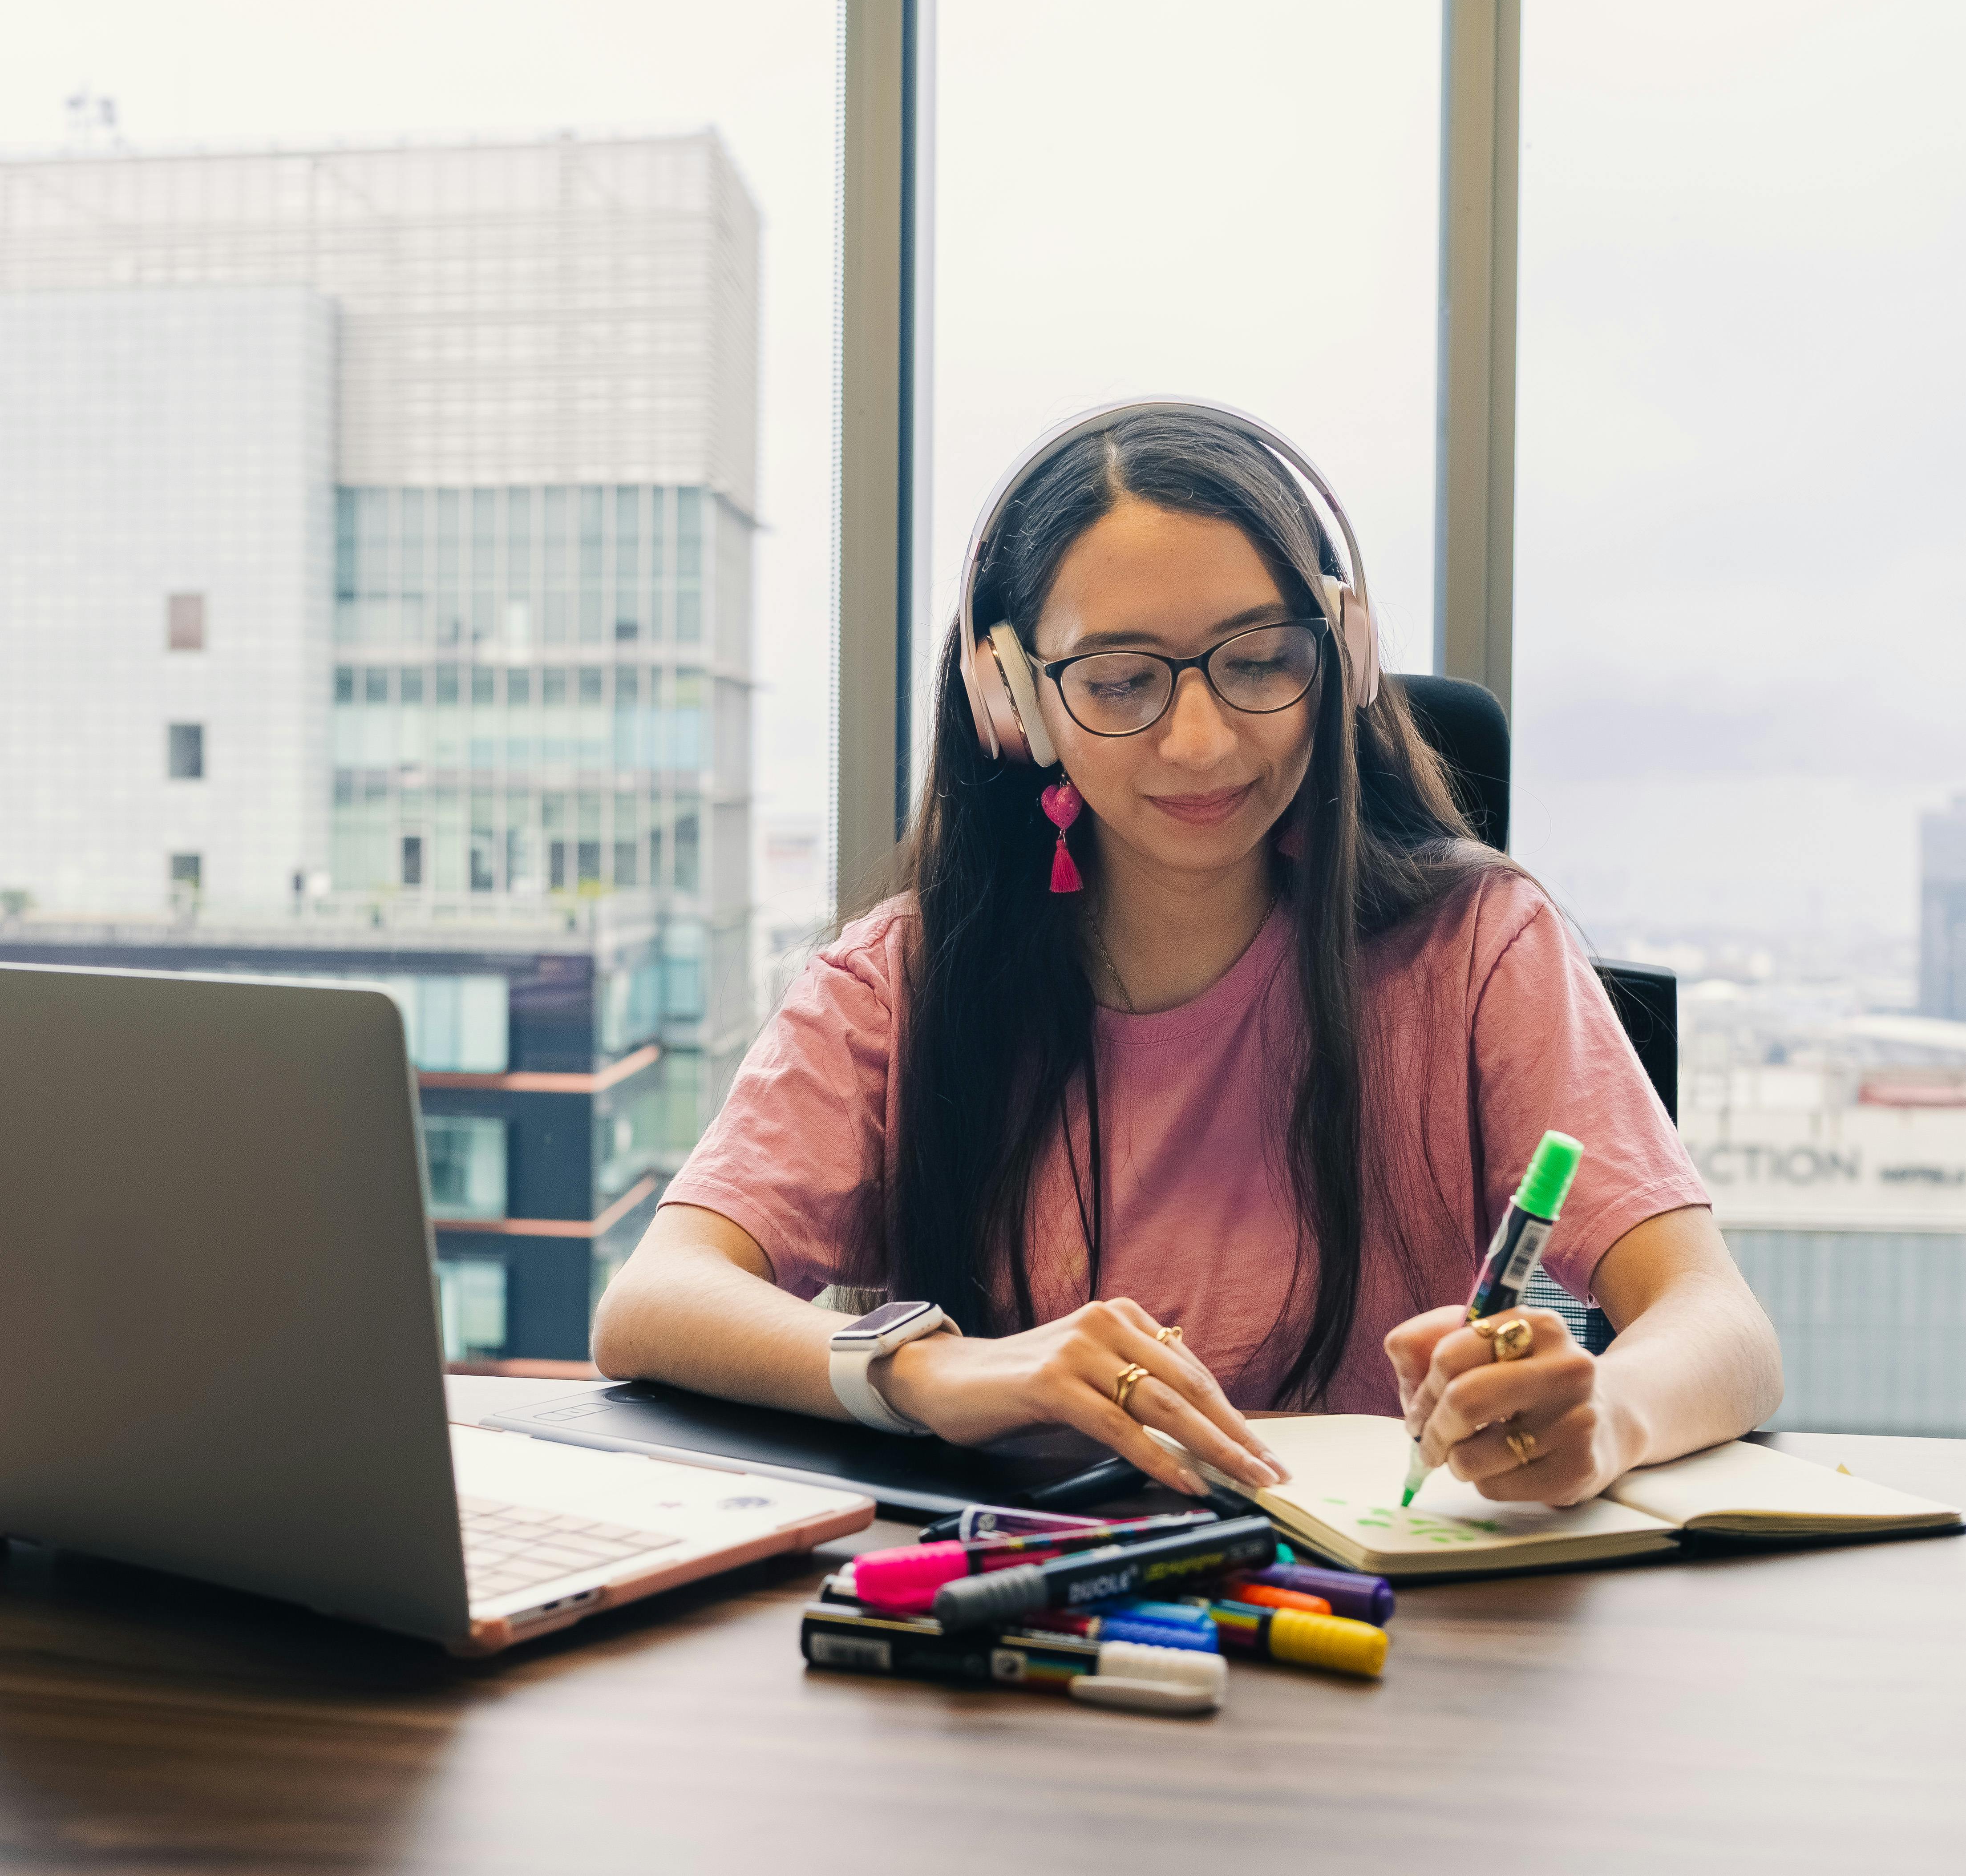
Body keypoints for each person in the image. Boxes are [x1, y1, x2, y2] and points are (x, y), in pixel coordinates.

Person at [593, 401, 1781, 1503]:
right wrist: (936, 1368)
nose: (1204, 741)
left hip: (1383, 1636)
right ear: (1017, 702)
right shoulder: (900, 981)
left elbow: (1719, 1326)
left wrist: (1602, 1419)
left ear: (1344, 658)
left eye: (1260, 661)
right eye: (1121, 682)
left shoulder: (1472, 948)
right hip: (1019, 1633)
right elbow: (656, 1301)